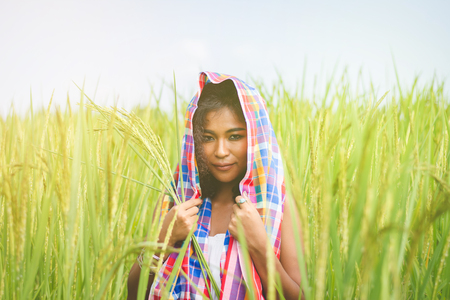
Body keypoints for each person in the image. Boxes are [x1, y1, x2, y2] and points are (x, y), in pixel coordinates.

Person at [128, 72, 303, 300]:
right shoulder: (176, 199)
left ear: (254, 138)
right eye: (209, 138)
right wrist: (163, 240)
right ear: (195, 141)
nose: (221, 151)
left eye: (234, 137)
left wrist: (260, 246)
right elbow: (133, 294)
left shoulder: (277, 206)